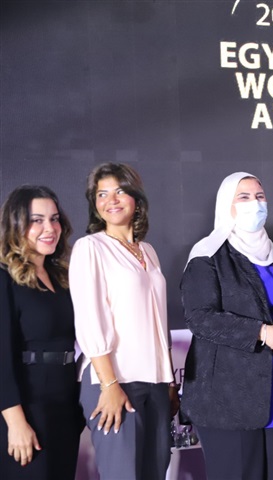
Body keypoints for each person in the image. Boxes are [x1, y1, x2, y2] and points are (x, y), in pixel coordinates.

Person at [180, 172, 273, 480]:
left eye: (260, 196)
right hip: (228, 399)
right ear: (226, 204)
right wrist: (263, 333)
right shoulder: (208, 254)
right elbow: (200, 317)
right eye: (244, 197)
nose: (255, 203)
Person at [69, 163, 179, 479]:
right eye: (101, 194)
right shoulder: (91, 248)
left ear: (136, 197)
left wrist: (169, 382)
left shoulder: (148, 251)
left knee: (156, 471)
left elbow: (158, 322)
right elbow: (90, 319)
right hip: (115, 381)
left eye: (119, 191)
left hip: (156, 384)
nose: (111, 200)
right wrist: (109, 385)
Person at [0, 186, 83, 479]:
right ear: (16, 224)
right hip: (26, 409)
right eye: (37, 220)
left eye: (54, 219)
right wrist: (15, 422)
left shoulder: (62, 277)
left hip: (65, 406)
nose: (50, 228)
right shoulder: (4, 277)